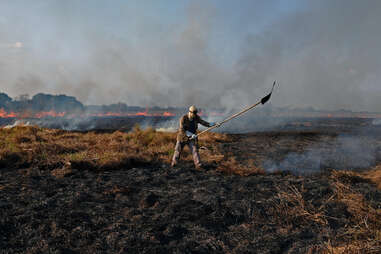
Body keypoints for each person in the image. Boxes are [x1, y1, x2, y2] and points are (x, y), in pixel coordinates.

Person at [171, 105, 217, 169]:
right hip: (182, 137)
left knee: (195, 150)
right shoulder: (183, 118)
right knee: (177, 150)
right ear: (190, 112)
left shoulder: (196, 117)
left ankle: (198, 165)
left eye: (195, 113)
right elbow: (182, 130)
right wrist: (190, 134)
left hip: (192, 138)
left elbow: (203, 122)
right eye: (193, 113)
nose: (195, 115)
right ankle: (174, 164)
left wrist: (212, 124)